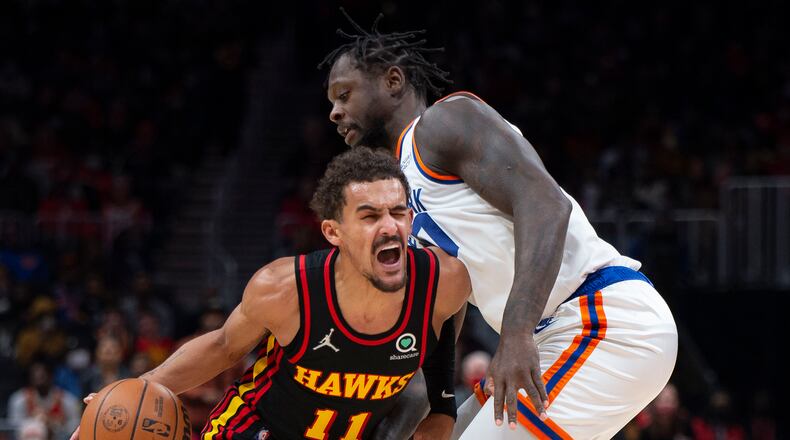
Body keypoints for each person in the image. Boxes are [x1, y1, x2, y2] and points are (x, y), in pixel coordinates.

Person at [320, 11, 678, 439]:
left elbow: (546, 205)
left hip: (602, 320)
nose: (335, 113)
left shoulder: (443, 123)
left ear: (393, 81)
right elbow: (445, 309)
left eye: (344, 95)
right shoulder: (402, 183)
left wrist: (515, 332)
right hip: (555, 335)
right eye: (331, 103)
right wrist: (440, 406)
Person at [70, 147, 470, 440]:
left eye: (398, 212)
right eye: (369, 216)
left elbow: (440, 330)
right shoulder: (285, 289)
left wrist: (444, 405)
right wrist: (138, 387)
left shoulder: (445, 283)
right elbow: (224, 346)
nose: (389, 226)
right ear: (333, 232)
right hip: (257, 430)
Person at [8, 359, 81, 440]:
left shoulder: (67, 400)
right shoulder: (19, 400)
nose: (39, 381)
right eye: (35, 377)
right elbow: (13, 428)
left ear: (51, 376)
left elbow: (76, 427)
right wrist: (34, 422)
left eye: (42, 377)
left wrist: (53, 424)